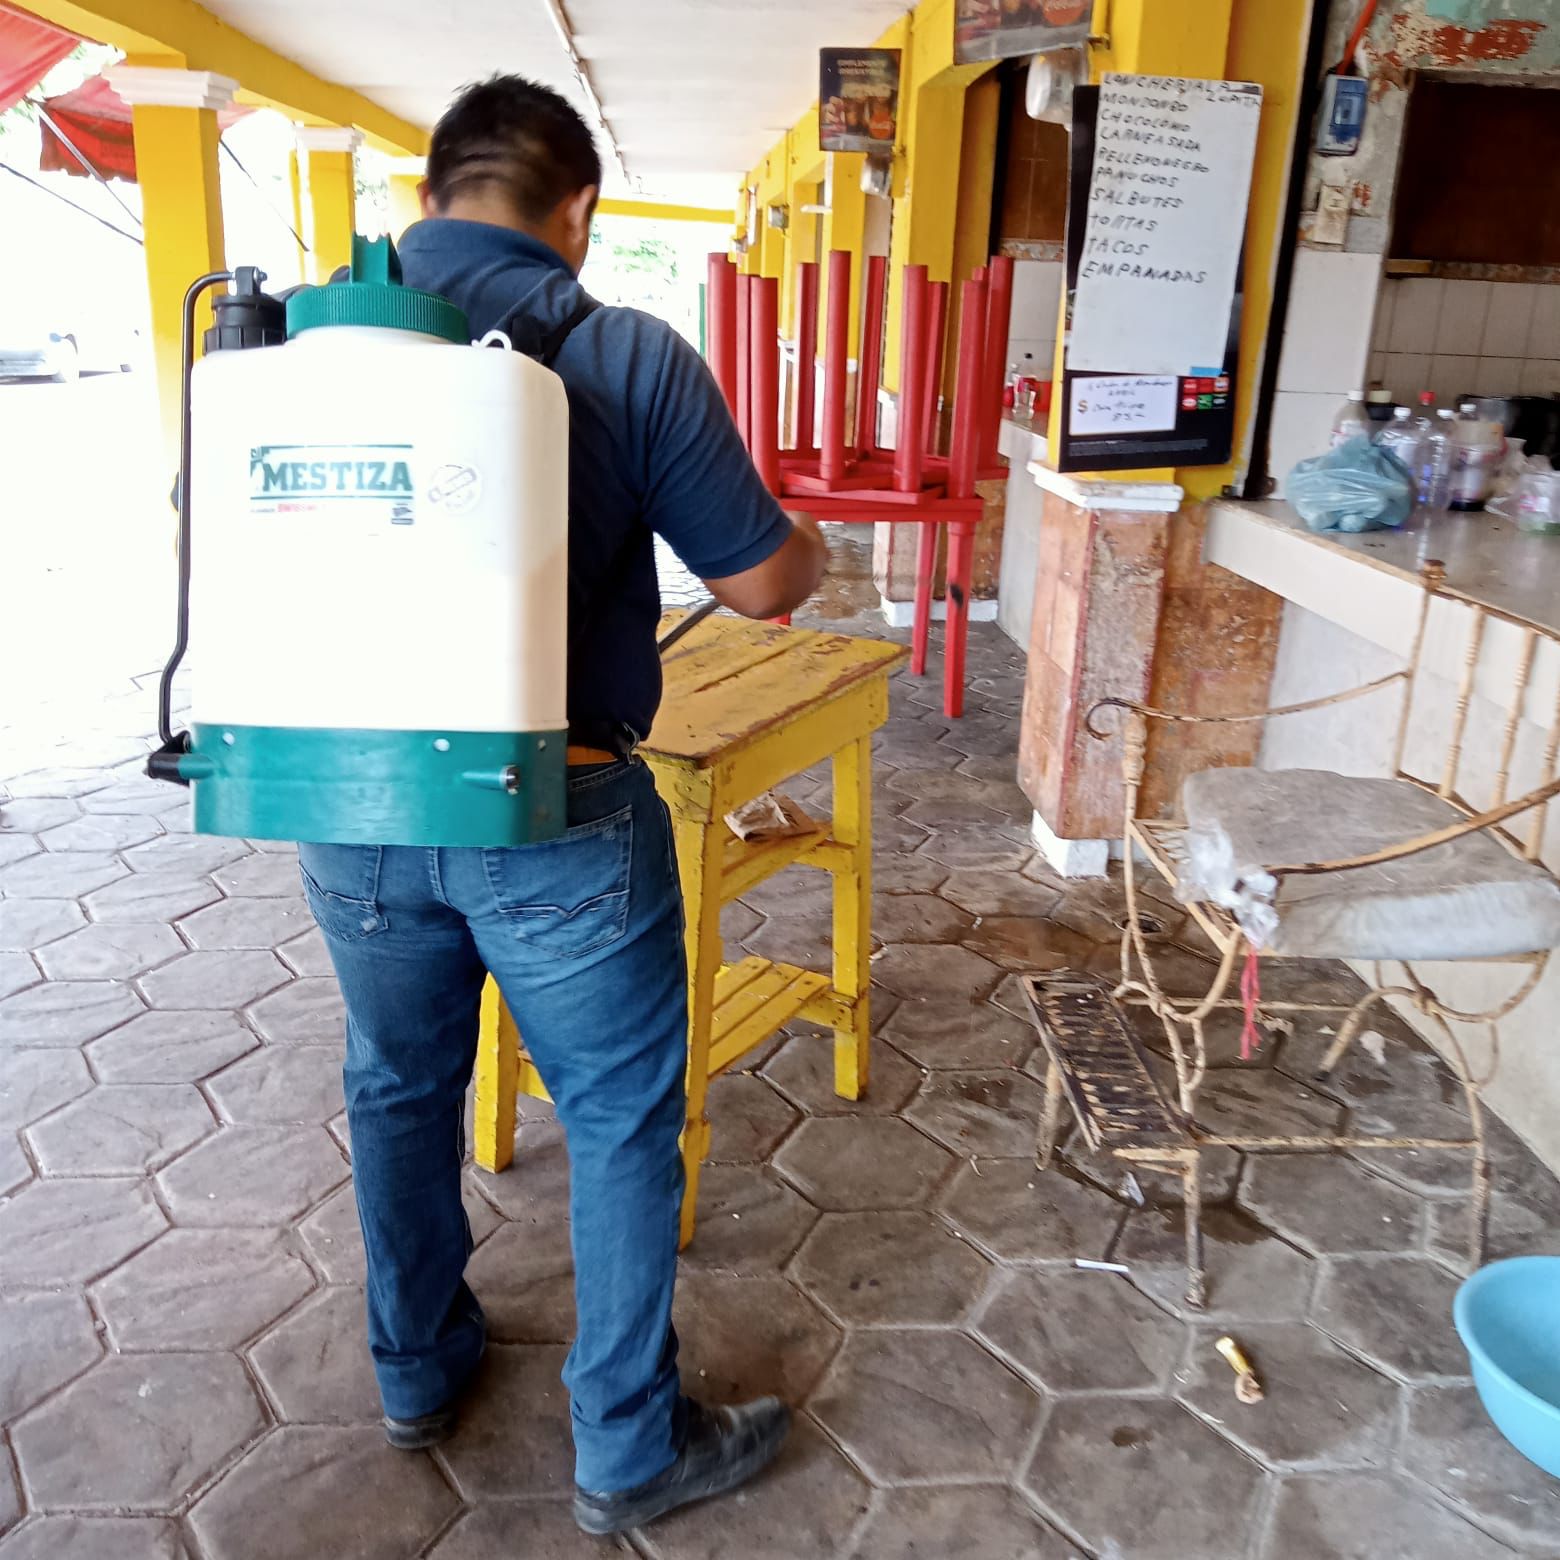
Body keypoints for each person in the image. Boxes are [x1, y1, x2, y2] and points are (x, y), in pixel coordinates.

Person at [296, 74, 827, 1537]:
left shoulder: (294, 346)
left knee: (396, 1087)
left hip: (347, 804)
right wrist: (810, 545)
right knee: (616, 1117)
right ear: (579, 210)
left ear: (428, 196)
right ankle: (627, 1447)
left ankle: (416, 1370)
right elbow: (762, 585)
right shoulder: (624, 350)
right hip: (562, 813)